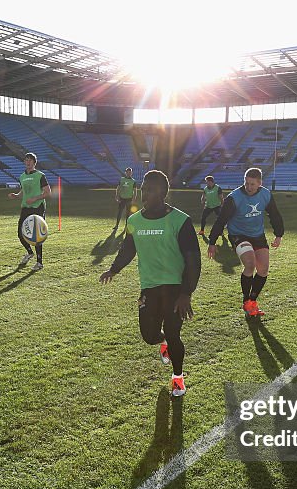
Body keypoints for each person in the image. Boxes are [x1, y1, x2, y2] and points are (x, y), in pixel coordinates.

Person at [100, 170, 200, 396]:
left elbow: (193, 260)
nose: (144, 193)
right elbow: (128, 249)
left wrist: (187, 294)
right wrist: (113, 269)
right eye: (143, 189)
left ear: (163, 192)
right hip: (149, 287)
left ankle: (177, 377)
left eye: (150, 189)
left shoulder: (180, 220)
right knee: (149, 336)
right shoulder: (134, 220)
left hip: (175, 288)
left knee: (174, 333)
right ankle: (162, 342)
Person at [207, 167, 284, 318]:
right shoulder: (234, 198)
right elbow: (221, 220)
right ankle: (245, 300)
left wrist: (278, 234)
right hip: (238, 234)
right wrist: (212, 241)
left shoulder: (266, 194)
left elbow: (274, 215)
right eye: (246, 183)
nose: (248, 187)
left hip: (258, 235)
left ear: (260, 183)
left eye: (252, 184)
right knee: (250, 264)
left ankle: (252, 302)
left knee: (263, 270)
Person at [8, 152, 50, 270]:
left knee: (37, 235)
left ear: (34, 162)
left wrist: (35, 198)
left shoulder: (40, 175)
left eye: (30, 160)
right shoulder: (22, 176)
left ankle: (39, 262)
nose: (28, 162)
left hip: (38, 207)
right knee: (20, 234)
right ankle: (29, 253)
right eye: (26, 160)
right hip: (25, 207)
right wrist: (16, 195)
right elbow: (23, 192)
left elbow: (48, 192)